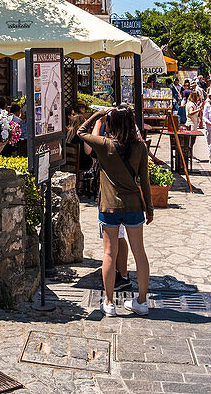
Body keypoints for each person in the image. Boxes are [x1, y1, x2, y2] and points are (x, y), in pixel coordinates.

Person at [77, 104, 152, 317]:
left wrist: (99, 115)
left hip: (109, 206)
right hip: (134, 206)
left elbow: (81, 132)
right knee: (140, 252)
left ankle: (109, 302)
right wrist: (150, 208)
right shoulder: (140, 147)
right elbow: (144, 181)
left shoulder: (104, 144)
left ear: (112, 123)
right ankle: (142, 301)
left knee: (109, 253)